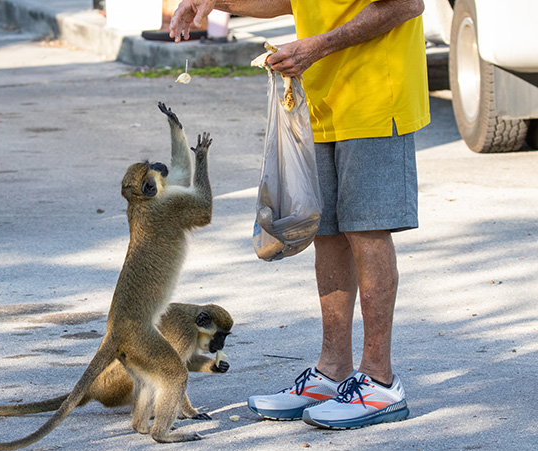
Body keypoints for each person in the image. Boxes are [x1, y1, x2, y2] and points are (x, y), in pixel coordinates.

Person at [170, 0, 429, 429]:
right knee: (325, 233)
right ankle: (332, 374)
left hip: (375, 98)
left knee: (368, 232)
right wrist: (218, 1)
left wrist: (318, 46)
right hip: (321, 100)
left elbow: (406, 4)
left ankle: (380, 382)